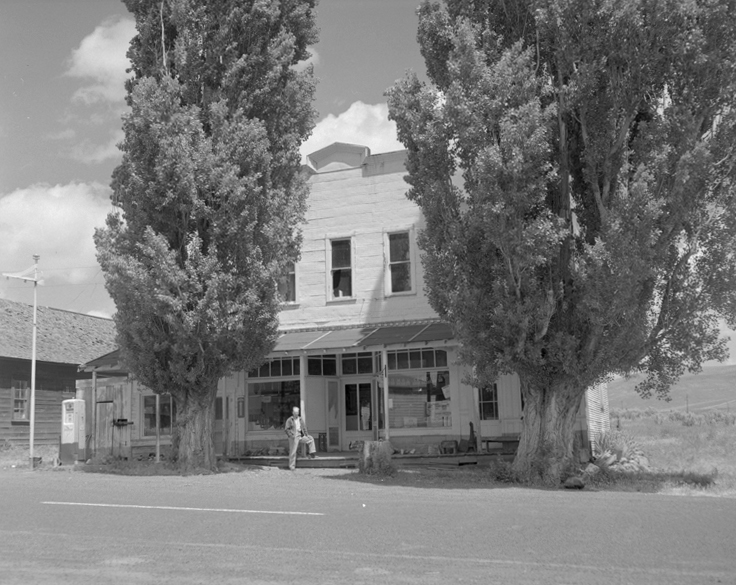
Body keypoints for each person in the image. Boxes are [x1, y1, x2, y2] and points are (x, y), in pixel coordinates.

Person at [284, 406, 317, 470]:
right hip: (293, 436)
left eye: (298, 412)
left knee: (311, 439)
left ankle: (311, 453)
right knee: (293, 451)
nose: (297, 413)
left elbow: (304, 428)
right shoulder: (290, 420)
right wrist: (291, 435)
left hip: (300, 435)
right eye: (295, 412)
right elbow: (286, 429)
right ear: (293, 413)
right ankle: (292, 466)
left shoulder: (300, 419)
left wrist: (307, 435)